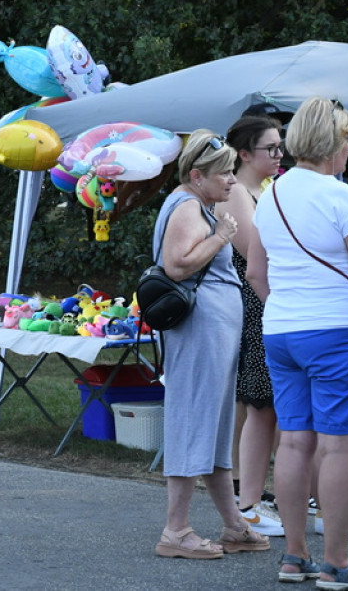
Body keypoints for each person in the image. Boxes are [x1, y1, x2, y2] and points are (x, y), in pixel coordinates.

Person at [246, 96, 348, 586]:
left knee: (292, 443)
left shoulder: (270, 196)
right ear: (332, 144)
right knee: (338, 448)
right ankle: (337, 562)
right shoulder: (340, 197)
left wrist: (286, 309)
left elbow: (256, 272)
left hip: (282, 330)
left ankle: (294, 556)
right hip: (335, 329)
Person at [152, 129, 269, 560]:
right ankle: (176, 530)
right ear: (197, 175)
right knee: (193, 424)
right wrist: (221, 236)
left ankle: (233, 525)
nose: (232, 182)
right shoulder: (187, 206)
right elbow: (177, 265)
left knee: (216, 429)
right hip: (199, 334)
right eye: (223, 175)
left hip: (214, 335)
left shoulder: (197, 203)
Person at [215, 115, 285, 536]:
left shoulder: (264, 190)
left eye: (281, 148)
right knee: (258, 401)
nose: (279, 156)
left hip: (267, 301)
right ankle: (246, 498)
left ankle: (256, 492)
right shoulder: (239, 194)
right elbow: (256, 254)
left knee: (262, 404)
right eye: (271, 148)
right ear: (244, 154)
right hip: (254, 303)